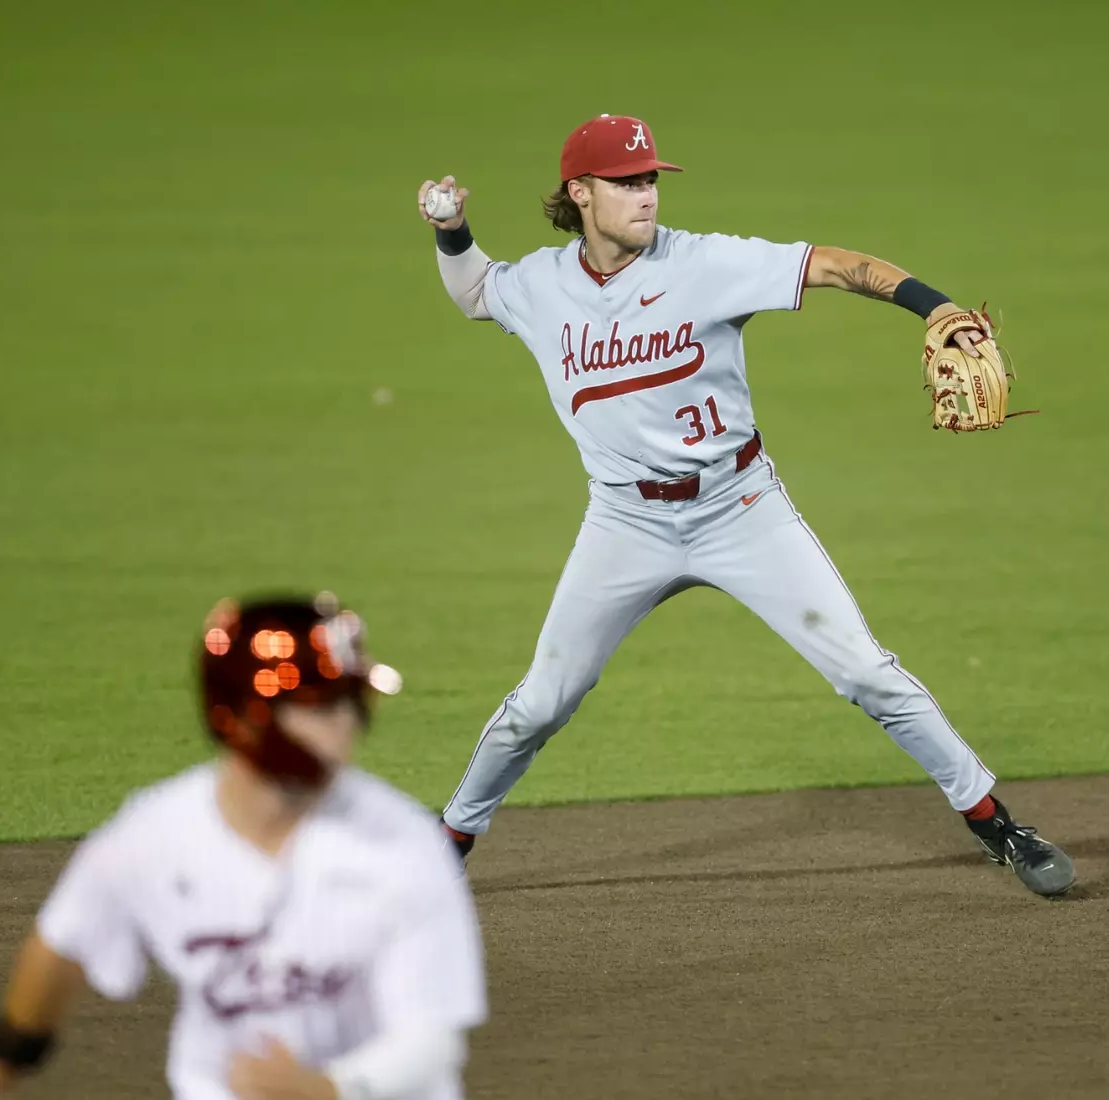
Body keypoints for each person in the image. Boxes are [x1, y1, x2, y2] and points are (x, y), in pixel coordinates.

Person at [418, 113, 1073, 898]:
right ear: (579, 193)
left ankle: (995, 821)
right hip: (625, 523)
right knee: (540, 703)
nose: (646, 195)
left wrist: (932, 305)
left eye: (651, 178)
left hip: (741, 506)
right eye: (627, 182)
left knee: (867, 672)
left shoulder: (706, 263)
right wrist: (454, 231)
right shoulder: (540, 286)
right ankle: (449, 837)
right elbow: (475, 292)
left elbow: (833, 265)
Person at [0, 593, 488, 1100]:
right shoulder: (155, 835)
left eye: (351, 704)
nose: (347, 726)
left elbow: (432, 1042)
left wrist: (330, 1090)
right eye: (322, 708)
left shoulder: (403, 845)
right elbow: (59, 951)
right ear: (245, 718)